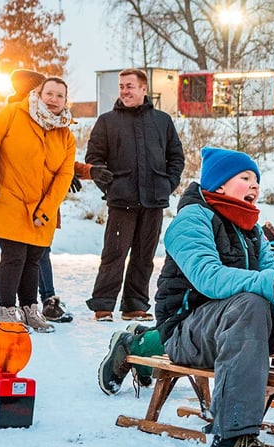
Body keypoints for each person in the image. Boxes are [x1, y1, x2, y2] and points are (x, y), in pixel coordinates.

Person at [99, 147, 274, 447]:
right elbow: (208, 277)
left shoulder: (252, 229)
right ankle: (233, 436)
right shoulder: (191, 221)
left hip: (238, 327)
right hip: (188, 327)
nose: (254, 186)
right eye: (245, 178)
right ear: (219, 185)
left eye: (257, 180)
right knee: (251, 304)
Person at [0, 71, 76, 333]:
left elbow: (65, 174)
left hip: (41, 205)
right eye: (49, 93)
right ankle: (8, 309)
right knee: (15, 255)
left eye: (59, 95)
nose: (53, 99)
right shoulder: (13, 113)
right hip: (8, 197)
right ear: (39, 94)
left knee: (34, 257)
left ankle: (30, 308)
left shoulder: (65, 134)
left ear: (66, 100)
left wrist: (47, 209)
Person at [86, 68, 185, 322]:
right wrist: (108, 186)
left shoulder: (162, 121)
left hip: (153, 201)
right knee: (114, 253)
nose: (124, 91)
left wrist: (167, 184)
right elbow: (94, 159)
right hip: (122, 201)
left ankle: (135, 305)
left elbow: (176, 157)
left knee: (144, 256)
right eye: (121, 86)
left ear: (144, 88)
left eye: (129, 86)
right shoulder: (107, 121)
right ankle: (103, 304)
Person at [39, 160, 114, 323]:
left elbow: (62, 160)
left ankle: (47, 301)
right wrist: (62, 177)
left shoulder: (56, 136)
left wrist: (89, 171)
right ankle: (21, 305)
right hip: (21, 202)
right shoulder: (25, 137)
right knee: (23, 256)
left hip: (46, 206)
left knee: (41, 252)